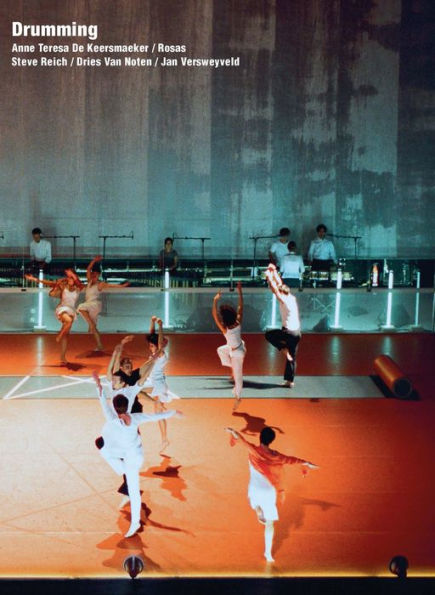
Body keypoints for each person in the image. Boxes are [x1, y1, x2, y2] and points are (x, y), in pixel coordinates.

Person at [94, 372, 183, 538]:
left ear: (115, 408)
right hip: (133, 454)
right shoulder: (135, 417)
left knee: (132, 488)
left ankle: (135, 523)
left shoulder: (112, 419)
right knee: (101, 445)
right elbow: (155, 416)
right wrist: (172, 413)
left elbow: (103, 404)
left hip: (131, 459)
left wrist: (98, 386)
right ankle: (123, 471)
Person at [226, 426, 318, 562]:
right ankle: (268, 554)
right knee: (270, 524)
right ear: (272, 440)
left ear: (260, 437)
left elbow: (242, 440)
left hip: (255, 489)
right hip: (269, 492)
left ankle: (258, 510)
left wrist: (233, 432)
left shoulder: (253, 450)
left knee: (253, 501)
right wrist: (307, 463)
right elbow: (292, 460)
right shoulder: (277, 456)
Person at [25, 268, 84, 364]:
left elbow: (79, 283)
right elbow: (49, 283)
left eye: (71, 278)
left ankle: (62, 357)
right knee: (68, 321)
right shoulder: (63, 286)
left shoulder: (78, 288)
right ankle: (59, 335)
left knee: (66, 335)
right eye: (68, 278)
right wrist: (35, 279)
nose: (69, 280)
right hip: (62, 308)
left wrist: (72, 274)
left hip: (71, 310)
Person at [141, 316, 178, 454]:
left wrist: (161, 326)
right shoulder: (154, 353)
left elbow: (159, 342)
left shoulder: (161, 353)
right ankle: (164, 439)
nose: (149, 347)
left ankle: (164, 439)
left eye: (152, 345)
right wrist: (152, 323)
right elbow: (153, 337)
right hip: (156, 384)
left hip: (158, 385)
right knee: (158, 414)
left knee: (138, 391)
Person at [77, 255, 129, 351]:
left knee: (80, 307)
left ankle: (91, 325)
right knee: (92, 329)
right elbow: (88, 269)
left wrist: (121, 286)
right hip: (89, 306)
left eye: (96, 275)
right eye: (93, 274)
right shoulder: (89, 282)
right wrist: (94, 260)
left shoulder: (100, 284)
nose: (94, 276)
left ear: (98, 276)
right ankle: (100, 345)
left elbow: (111, 285)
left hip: (94, 305)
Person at [264, 264, 301, 388]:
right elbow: (280, 285)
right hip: (297, 333)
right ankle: (290, 382)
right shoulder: (291, 297)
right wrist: (274, 272)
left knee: (269, 335)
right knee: (292, 358)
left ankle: (283, 349)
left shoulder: (283, 300)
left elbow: (275, 289)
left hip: (288, 332)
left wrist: (269, 278)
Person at [212, 281, 246, 411]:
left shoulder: (225, 329)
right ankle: (232, 367)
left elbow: (214, 316)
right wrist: (239, 291)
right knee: (220, 350)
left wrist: (215, 301)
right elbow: (240, 307)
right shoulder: (238, 322)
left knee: (238, 379)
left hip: (237, 353)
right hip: (239, 347)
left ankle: (238, 397)